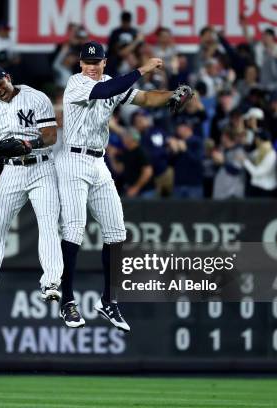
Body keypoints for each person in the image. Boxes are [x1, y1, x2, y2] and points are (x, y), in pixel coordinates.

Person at [57, 41, 192, 331]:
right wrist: (143, 68)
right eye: (86, 62)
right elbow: (106, 92)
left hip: (97, 161)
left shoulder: (110, 82)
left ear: (104, 62)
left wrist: (173, 94)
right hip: (72, 159)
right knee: (74, 230)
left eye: (96, 62)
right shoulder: (77, 83)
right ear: (80, 64)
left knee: (117, 233)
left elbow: (145, 99)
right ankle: (67, 301)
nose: (91, 67)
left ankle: (108, 301)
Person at [0, 66, 63, 315]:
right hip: (11, 172)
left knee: (48, 225)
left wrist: (28, 144)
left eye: (0, 83)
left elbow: (51, 136)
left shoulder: (36, 97)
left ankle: (51, 281)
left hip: (42, 166)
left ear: (8, 78)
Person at [242, 130, 277, 197]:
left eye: (256, 138)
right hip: (256, 187)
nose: (255, 140)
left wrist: (244, 161)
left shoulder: (271, 154)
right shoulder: (259, 150)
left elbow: (257, 172)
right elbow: (250, 156)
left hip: (266, 189)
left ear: (260, 140)